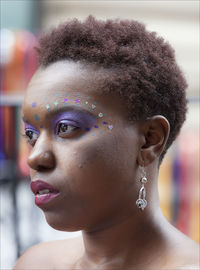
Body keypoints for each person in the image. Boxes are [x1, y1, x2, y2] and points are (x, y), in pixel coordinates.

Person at [14, 16, 199, 270]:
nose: (35, 157)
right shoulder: (35, 264)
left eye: (66, 128)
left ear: (149, 140)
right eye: (32, 135)